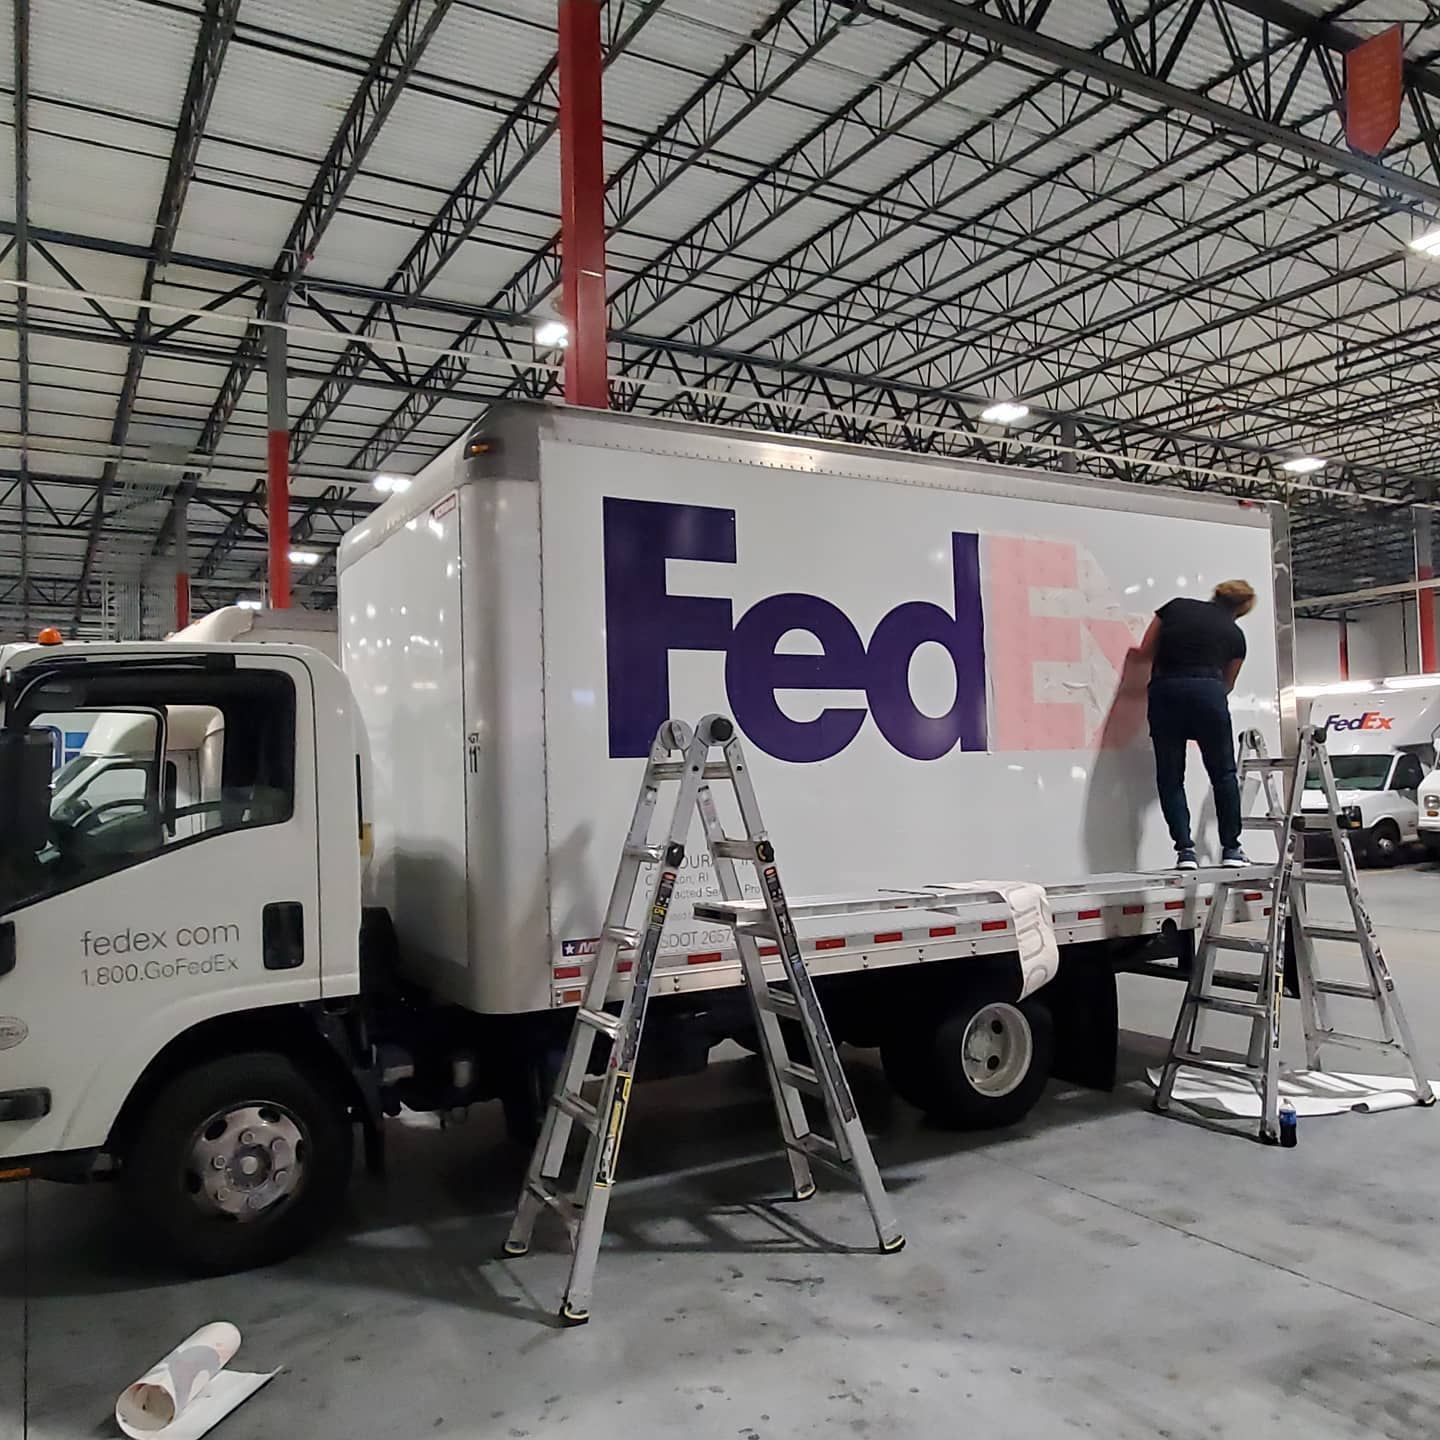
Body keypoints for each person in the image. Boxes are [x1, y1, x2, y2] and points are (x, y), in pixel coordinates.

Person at [1133, 580, 1257, 870]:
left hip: (1166, 692)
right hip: (1208, 694)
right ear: (1240, 609)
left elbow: (1145, 649)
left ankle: (1185, 852)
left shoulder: (1174, 607)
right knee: (1223, 775)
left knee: (1171, 776)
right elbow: (1228, 684)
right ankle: (1231, 849)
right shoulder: (1236, 635)